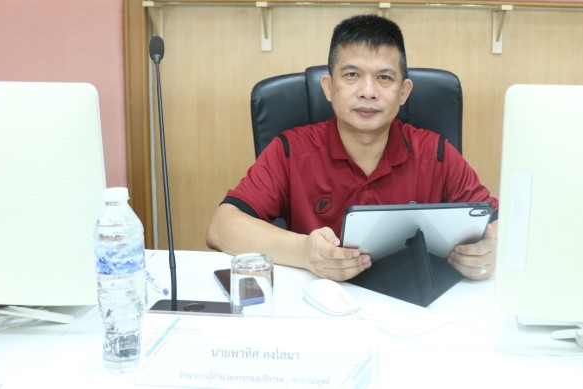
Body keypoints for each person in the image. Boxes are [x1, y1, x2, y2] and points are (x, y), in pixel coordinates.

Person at [206, 14, 499, 282]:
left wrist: (491, 248)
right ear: (328, 87)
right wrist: (304, 251)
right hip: (320, 304)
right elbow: (221, 227)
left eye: (384, 77)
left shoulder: (437, 154)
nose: (368, 92)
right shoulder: (290, 151)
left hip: (414, 308)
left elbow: (498, 224)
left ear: (403, 92)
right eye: (351, 75)